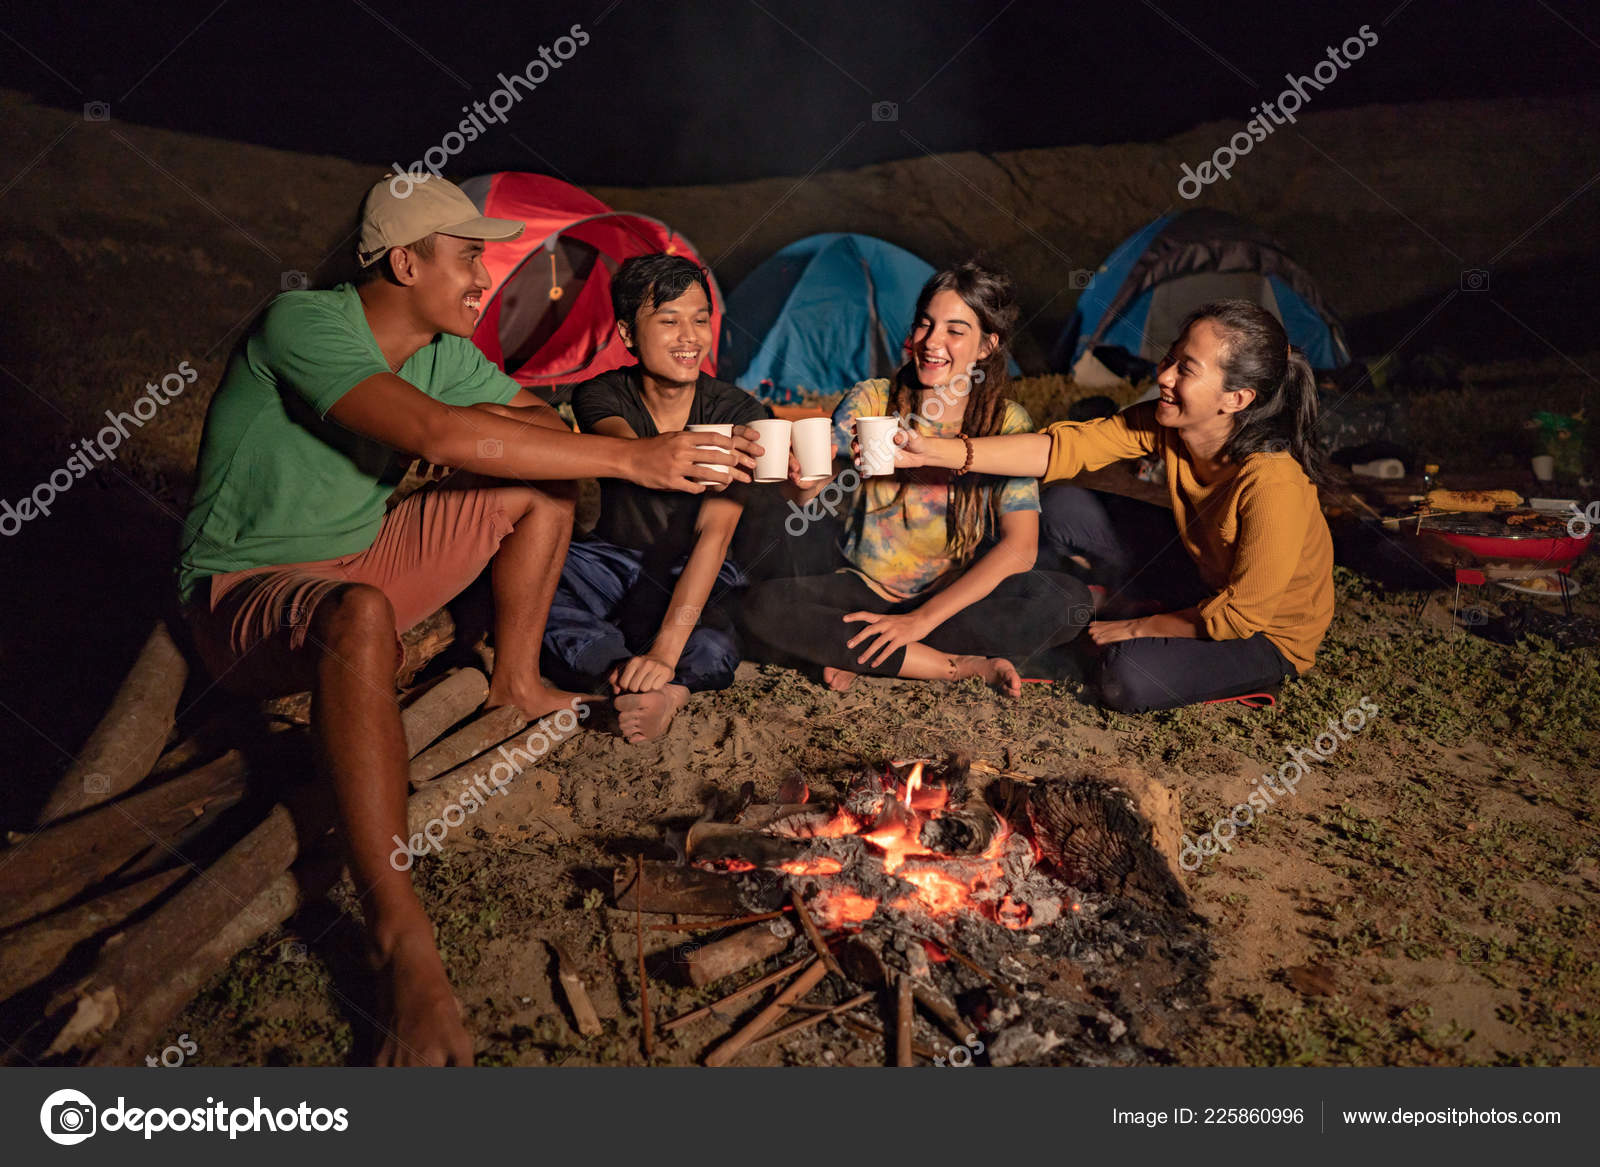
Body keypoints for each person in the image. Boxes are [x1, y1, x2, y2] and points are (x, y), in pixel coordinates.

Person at [176, 174, 757, 1066]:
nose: (489, 280)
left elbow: (524, 421)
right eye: (468, 258)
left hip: (363, 563)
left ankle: (515, 681)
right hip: (247, 592)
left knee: (539, 483)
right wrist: (634, 458)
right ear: (404, 261)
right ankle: (400, 941)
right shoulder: (304, 323)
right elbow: (439, 439)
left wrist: (484, 422)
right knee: (362, 612)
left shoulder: (442, 352)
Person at [889, 298, 1334, 713]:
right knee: (1063, 504)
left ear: (1236, 399)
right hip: (1203, 573)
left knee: (1125, 676)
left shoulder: (1273, 484)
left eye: (1187, 370)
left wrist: (1138, 627)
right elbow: (1063, 449)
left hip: (1263, 631)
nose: (1163, 376)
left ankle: (1212, 658)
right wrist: (935, 451)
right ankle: (1040, 608)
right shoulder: (1170, 426)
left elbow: (1241, 614)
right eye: (1171, 358)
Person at [742, 263, 1092, 695]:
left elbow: (1020, 547)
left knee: (1068, 602)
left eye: (954, 330)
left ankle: (870, 652)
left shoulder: (1006, 422)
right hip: (862, 587)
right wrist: (800, 478)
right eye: (925, 324)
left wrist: (919, 620)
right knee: (762, 606)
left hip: (954, 597)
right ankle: (952, 665)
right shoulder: (873, 398)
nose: (931, 342)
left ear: (987, 346)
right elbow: (816, 486)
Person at [541, 254, 769, 743]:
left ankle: (666, 687)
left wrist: (665, 652)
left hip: (698, 567)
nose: (690, 337)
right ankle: (622, 669)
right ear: (627, 334)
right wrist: (657, 457)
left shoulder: (740, 412)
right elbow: (622, 448)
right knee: (530, 580)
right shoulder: (601, 394)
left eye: (700, 319)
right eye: (669, 321)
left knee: (714, 640)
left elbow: (715, 533)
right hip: (611, 559)